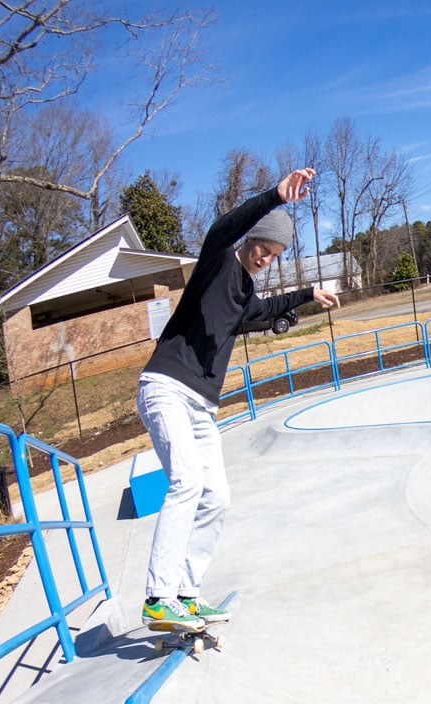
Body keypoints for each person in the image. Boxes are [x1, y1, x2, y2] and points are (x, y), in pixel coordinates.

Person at [136, 167, 338, 632]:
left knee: (218, 498)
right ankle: (157, 597)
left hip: (201, 404)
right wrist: (273, 197)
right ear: (250, 242)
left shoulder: (246, 289)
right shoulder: (218, 261)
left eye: (274, 256)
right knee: (186, 481)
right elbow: (222, 227)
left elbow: (263, 313)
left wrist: (308, 293)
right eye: (263, 249)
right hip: (165, 386)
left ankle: (186, 593)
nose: (266, 259)